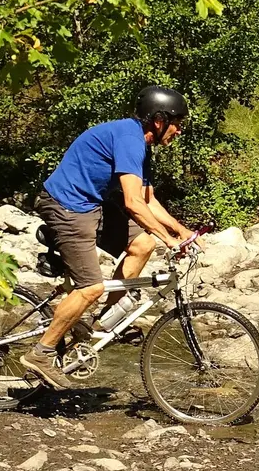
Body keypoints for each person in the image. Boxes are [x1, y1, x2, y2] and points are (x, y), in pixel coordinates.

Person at [20, 84, 196, 389]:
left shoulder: (142, 146)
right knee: (90, 287)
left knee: (142, 243)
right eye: (177, 123)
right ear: (159, 120)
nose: (178, 131)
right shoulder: (129, 139)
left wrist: (182, 231)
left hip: (93, 204)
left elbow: (149, 201)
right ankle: (41, 353)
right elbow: (132, 203)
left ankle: (102, 324)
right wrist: (169, 240)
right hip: (67, 205)